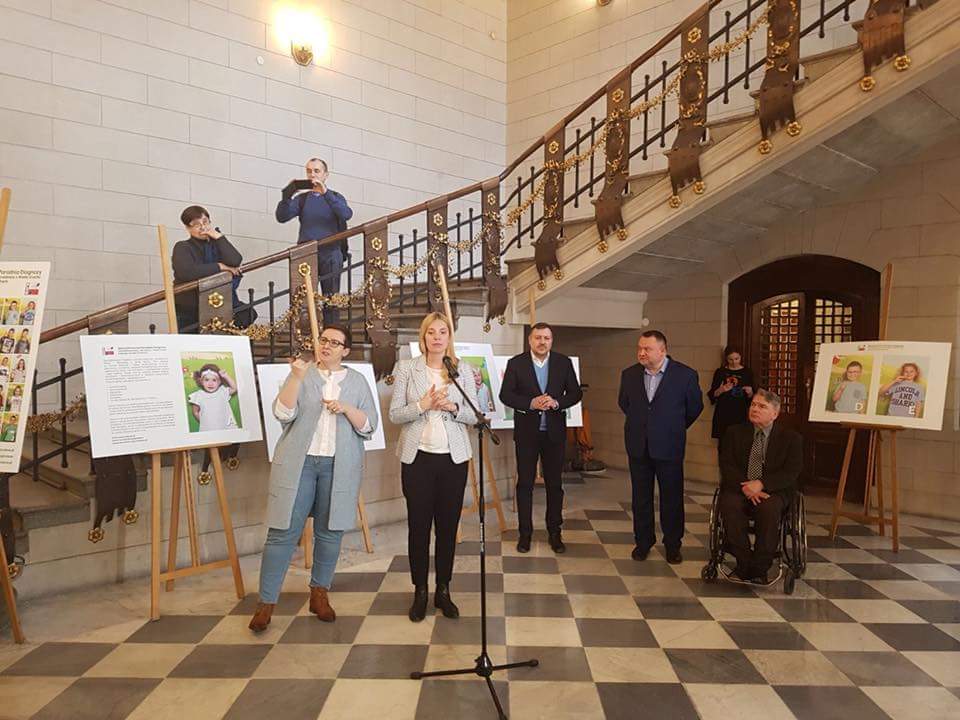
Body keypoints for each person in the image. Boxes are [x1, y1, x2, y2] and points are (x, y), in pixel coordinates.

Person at [249, 324, 378, 633]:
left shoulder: (357, 382)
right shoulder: (302, 374)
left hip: (339, 466)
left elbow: (369, 425)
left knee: (330, 532)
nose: (327, 346)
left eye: (335, 342)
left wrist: (347, 408)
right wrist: (295, 377)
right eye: (323, 340)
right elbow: (282, 414)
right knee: (282, 532)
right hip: (300, 464)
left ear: (346, 351)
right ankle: (266, 603)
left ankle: (319, 594)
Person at [389, 313, 479, 622]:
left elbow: (474, 415)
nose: (437, 337)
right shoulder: (406, 368)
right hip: (418, 460)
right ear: (423, 337)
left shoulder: (462, 369)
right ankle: (420, 591)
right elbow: (395, 414)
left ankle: (443, 589)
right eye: (431, 332)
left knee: (447, 528)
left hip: (453, 460)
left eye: (443, 332)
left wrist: (452, 407)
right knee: (418, 527)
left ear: (449, 337)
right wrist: (423, 405)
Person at [618, 330, 703, 564]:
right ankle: (643, 542)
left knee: (671, 498)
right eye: (639, 348)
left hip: (669, 445)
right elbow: (625, 404)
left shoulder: (685, 375)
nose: (641, 353)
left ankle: (673, 545)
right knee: (641, 498)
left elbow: (694, 408)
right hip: (639, 445)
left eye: (647, 349)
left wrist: (671, 427)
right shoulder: (629, 374)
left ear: (663, 350)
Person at [500, 323, 582, 553]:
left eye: (546, 338)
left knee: (554, 485)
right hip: (527, 434)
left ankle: (555, 532)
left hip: (554, 434)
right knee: (525, 484)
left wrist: (556, 402)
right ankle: (524, 534)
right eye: (538, 337)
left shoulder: (563, 363)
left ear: (551, 341)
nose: (542, 342)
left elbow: (575, 393)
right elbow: (506, 395)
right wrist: (530, 403)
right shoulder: (516, 363)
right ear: (530, 340)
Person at [719, 389, 802, 583]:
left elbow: (792, 472)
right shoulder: (734, 433)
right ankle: (744, 563)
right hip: (740, 487)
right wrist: (747, 487)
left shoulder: (791, 438)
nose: (755, 409)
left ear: (775, 413)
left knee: (768, 509)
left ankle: (759, 568)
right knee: (730, 505)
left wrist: (762, 484)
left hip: (773, 491)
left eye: (762, 406)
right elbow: (727, 465)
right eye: (753, 405)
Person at [276, 158, 354, 326]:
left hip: (331, 253)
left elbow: (346, 214)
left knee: (331, 299)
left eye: (317, 171)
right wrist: (286, 195)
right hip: (306, 254)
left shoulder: (335, 197)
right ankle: (306, 336)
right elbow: (281, 217)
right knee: (304, 299)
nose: (312, 174)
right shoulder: (302, 199)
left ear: (325, 175)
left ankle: (330, 333)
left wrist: (325, 193)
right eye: (309, 171)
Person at [171, 205, 252, 333]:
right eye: (196, 224)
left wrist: (219, 237)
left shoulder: (217, 244)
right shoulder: (183, 247)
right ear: (188, 228)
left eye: (205, 222)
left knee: (246, 314)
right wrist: (221, 266)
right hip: (192, 307)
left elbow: (235, 260)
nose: (203, 227)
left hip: (221, 301)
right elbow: (187, 272)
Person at [708, 346, 754, 455]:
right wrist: (722, 389)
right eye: (731, 359)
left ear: (741, 357)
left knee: (740, 447)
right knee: (723, 448)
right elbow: (712, 394)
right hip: (723, 414)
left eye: (737, 359)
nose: (734, 362)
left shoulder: (747, 372)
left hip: (740, 413)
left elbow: (752, 397)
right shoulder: (720, 372)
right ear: (726, 359)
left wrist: (750, 392)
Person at [187, 364, 238, 432]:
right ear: (201, 381)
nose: (210, 383)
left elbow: (234, 388)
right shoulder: (198, 395)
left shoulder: (222, 392)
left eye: (214, 380)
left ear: (219, 382)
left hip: (225, 426)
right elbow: (195, 412)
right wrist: (204, 422)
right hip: (209, 428)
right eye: (206, 380)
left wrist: (226, 376)